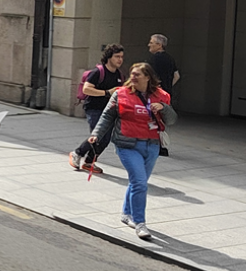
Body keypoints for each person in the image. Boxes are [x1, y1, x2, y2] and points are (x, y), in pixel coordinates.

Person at [88, 62, 177, 240]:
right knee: (140, 183)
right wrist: (96, 133)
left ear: (148, 77)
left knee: (138, 182)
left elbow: (172, 120)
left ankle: (126, 214)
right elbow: (107, 115)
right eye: (132, 74)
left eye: (137, 74)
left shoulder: (161, 96)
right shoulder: (121, 94)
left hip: (151, 145)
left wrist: (164, 108)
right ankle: (140, 223)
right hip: (126, 144)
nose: (133, 77)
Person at [68, 44, 125, 173]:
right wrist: (106, 92)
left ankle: (89, 162)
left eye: (121, 57)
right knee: (98, 136)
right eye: (117, 56)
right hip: (94, 108)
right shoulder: (98, 72)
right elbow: (86, 89)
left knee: (105, 140)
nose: (120, 60)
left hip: (110, 110)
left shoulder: (119, 75)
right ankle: (77, 153)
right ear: (109, 57)